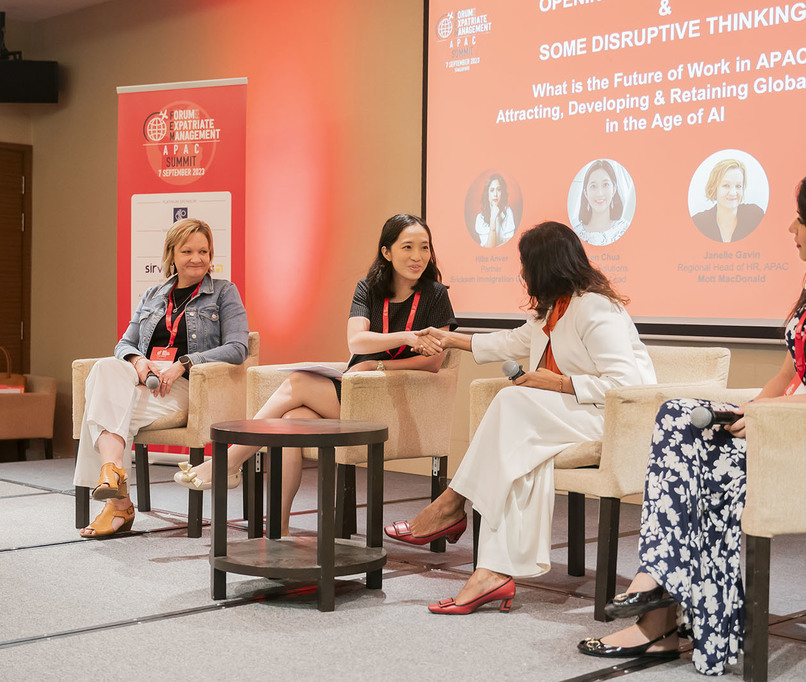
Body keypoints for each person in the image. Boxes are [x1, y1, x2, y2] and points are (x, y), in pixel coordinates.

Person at [578, 168, 806, 675]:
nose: (791, 228)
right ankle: (661, 599)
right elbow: (789, 374)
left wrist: (779, 412)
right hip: (792, 430)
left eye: (801, 218)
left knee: (706, 471)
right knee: (679, 416)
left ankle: (658, 613)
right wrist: (752, 410)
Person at [385, 221, 656, 614]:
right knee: (516, 455)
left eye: (525, 265)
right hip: (573, 416)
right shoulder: (553, 309)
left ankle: (450, 505)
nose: (522, 274)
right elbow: (508, 342)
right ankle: (490, 572)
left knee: (513, 403)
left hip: (614, 420)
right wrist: (446, 337)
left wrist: (559, 383)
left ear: (545, 266)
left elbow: (626, 385)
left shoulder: (595, 307)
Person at [173, 213, 456, 536]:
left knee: (297, 382)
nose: (418, 256)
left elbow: (434, 362)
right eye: (407, 247)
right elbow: (357, 341)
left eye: (424, 247)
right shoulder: (368, 288)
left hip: (389, 402)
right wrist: (407, 338)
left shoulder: (436, 295)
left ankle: (229, 461)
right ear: (387, 252)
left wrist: (377, 366)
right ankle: (279, 532)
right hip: (352, 392)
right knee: (289, 423)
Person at [75, 218, 250, 538]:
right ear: (172, 254)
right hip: (147, 384)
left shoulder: (224, 292)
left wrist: (185, 363)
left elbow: (238, 348)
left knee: (98, 412)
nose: (196, 258)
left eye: (203, 251)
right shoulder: (153, 294)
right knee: (104, 368)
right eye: (187, 251)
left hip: (189, 387)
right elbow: (123, 344)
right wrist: (139, 361)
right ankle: (113, 474)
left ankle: (117, 504)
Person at [691, 158, 765, 243]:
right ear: (714, 188)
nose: (733, 193)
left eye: (738, 186)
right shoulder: (699, 222)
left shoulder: (755, 216)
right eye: (726, 185)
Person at [573, 160, 630, 246]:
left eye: (605, 185)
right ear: (585, 193)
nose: (600, 193)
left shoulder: (624, 228)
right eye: (593, 186)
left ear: (614, 189)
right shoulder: (575, 231)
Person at [474, 173, 516, 247]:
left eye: (498, 190)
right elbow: (490, 247)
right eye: (492, 190)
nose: (495, 194)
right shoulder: (480, 219)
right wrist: (493, 218)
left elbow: (509, 242)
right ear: (487, 194)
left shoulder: (507, 211)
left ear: (502, 193)